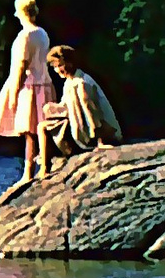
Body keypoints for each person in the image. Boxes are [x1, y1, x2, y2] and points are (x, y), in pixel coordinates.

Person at [0, 0, 56, 182]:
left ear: (21, 12)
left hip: (29, 87)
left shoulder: (24, 36)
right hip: (45, 83)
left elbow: (20, 66)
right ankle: (43, 166)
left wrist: (13, 94)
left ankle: (29, 172)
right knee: (41, 129)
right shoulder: (42, 33)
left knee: (29, 132)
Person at [37, 44, 122, 178]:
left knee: (47, 127)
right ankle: (44, 167)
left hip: (94, 131)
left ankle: (100, 142)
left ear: (70, 63)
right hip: (79, 126)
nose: (57, 70)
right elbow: (67, 107)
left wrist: (101, 140)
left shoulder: (82, 82)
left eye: (59, 66)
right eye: (54, 67)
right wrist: (52, 109)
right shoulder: (70, 82)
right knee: (42, 126)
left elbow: (92, 111)